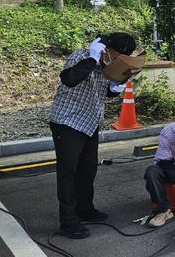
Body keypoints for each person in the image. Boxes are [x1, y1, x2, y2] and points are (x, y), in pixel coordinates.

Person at [50, 32, 138, 239]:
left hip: (90, 123)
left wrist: (117, 86)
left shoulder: (109, 66)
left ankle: (85, 209)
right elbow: (69, 79)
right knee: (68, 173)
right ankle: (68, 221)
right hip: (68, 122)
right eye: (116, 56)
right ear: (106, 48)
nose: (117, 61)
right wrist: (92, 58)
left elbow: (105, 91)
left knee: (87, 170)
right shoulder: (81, 57)